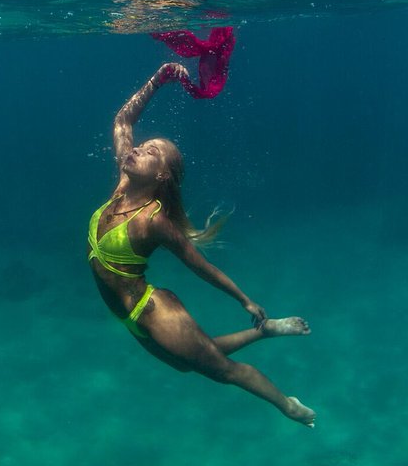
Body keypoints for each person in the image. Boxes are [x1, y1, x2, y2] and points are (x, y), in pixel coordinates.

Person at [87, 62, 316, 427]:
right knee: (190, 360)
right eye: (142, 146)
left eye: (150, 152)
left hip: (150, 311)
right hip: (127, 316)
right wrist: (159, 80)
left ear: (161, 175)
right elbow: (122, 121)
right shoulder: (122, 186)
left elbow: (199, 266)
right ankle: (267, 330)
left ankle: (287, 404)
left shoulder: (153, 221)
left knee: (221, 370)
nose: (138, 149)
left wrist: (244, 299)